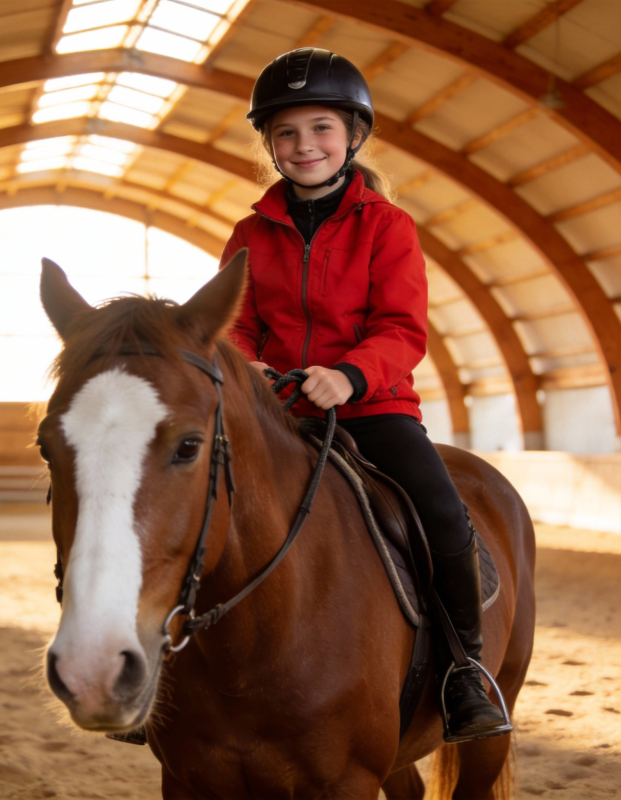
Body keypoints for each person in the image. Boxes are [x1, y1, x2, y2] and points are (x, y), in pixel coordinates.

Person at [220, 47, 512, 743]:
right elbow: (235, 323)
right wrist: (247, 366)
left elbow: (402, 327)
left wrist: (349, 376)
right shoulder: (249, 234)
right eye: (287, 133)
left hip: (374, 409)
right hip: (279, 413)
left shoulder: (389, 227)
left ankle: (466, 670)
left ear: (353, 135)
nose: (303, 146)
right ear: (270, 144)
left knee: (443, 514)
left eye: (320, 128)